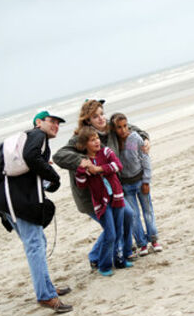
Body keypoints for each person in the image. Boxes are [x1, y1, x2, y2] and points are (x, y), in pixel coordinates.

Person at [0, 110, 73, 313]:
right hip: (16, 202)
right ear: (38, 122)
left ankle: (47, 288)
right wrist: (54, 176)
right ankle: (45, 296)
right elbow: (31, 157)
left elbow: (33, 173)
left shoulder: (33, 142)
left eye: (58, 123)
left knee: (38, 242)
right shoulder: (37, 136)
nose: (55, 126)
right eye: (51, 121)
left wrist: (49, 179)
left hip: (10, 201)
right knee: (35, 244)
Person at [52, 99, 150, 262]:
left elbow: (131, 129)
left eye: (102, 114)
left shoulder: (110, 130)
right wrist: (82, 161)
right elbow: (59, 156)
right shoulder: (81, 138)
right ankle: (96, 256)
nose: (101, 118)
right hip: (91, 196)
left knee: (127, 216)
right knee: (111, 228)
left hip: (111, 191)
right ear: (88, 120)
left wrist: (145, 138)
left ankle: (124, 251)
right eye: (95, 116)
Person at [74, 126, 132, 276]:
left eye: (97, 138)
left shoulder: (106, 152)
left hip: (117, 197)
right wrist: (82, 170)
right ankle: (104, 265)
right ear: (84, 144)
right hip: (102, 203)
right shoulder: (85, 162)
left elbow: (117, 166)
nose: (97, 142)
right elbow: (81, 184)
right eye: (92, 140)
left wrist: (99, 169)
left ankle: (119, 261)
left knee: (119, 231)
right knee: (110, 234)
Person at [111, 112, 162, 256]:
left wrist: (146, 181)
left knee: (148, 212)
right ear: (114, 129)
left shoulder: (135, 138)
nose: (123, 130)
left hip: (140, 181)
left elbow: (145, 159)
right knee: (133, 215)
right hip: (125, 186)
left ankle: (154, 239)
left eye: (125, 126)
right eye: (119, 127)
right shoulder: (114, 143)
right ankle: (142, 243)